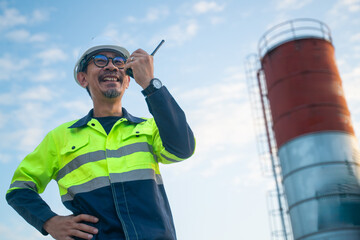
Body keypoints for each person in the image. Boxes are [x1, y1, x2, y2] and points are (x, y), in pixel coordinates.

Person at [6, 38, 195, 240]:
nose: (112, 66)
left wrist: (150, 84)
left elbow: (181, 149)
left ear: (128, 79)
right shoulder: (59, 137)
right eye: (100, 60)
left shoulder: (149, 128)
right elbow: (19, 189)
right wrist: (48, 221)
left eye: (119, 62)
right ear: (83, 79)